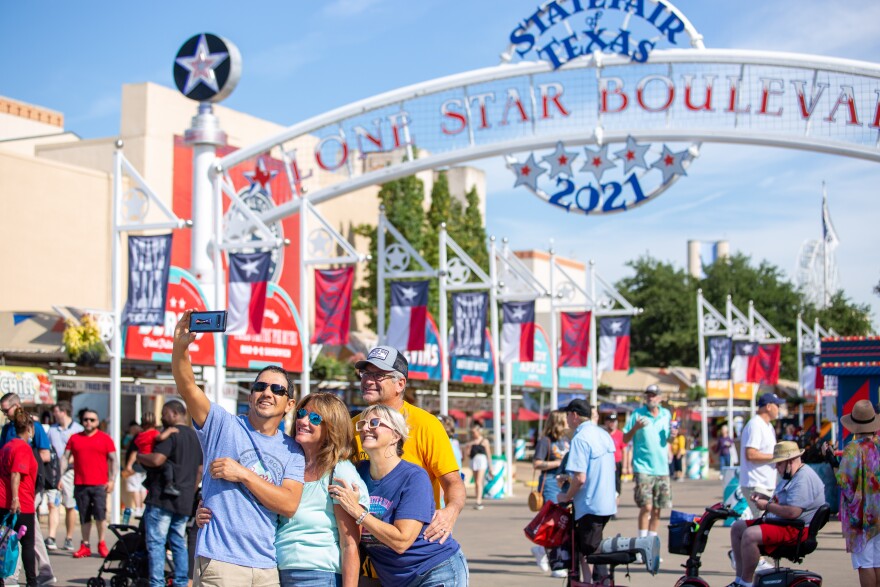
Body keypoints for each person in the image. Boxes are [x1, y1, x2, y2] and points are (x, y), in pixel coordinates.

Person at [172, 309, 304, 586]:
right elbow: (188, 387)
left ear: (289, 404)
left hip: (267, 567)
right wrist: (180, 348)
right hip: (221, 563)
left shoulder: (293, 450)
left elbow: (288, 504)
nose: (267, 392)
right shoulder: (223, 425)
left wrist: (243, 473)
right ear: (251, 393)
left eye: (278, 390)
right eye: (260, 386)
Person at [334, 404, 469, 587]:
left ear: (396, 435)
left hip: (435, 571)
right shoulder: (359, 473)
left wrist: (358, 513)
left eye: (374, 423)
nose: (365, 428)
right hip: (396, 579)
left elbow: (401, 541)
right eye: (363, 424)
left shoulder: (414, 477)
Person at [352, 345, 465, 538]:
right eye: (365, 373)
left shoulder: (426, 424)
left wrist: (451, 511)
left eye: (378, 375)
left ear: (400, 384)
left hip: (417, 545)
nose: (368, 381)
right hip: (372, 547)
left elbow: (453, 482)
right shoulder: (355, 426)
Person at [727, 441, 825, 587]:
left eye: (779, 463)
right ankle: (739, 580)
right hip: (784, 523)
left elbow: (793, 512)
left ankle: (745, 584)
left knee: (749, 535)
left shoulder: (803, 479)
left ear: (790, 462)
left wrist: (767, 505)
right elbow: (783, 501)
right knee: (737, 528)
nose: (776, 467)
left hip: (796, 529)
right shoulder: (791, 475)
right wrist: (765, 498)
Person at [136, 401, 203, 587]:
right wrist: (190, 488)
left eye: (164, 413)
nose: (161, 418)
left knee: (156, 543)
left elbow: (157, 460)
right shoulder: (196, 437)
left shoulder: (171, 435)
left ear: (175, 413)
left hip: (162, 499)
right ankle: (181, 582)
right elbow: (200, 468)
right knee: (178, 541)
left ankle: (157, 582)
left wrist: (139, 457)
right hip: (184, 499)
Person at [557, 400, 617, 583]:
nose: (566, 419)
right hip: (606, 502)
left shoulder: (580, 438)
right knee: (587, 548)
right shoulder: (603, 434)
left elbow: (580, 478)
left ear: (574, 415)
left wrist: (566, 496)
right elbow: (608, 468)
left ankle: (600, 582)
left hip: (590, 504)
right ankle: (588, 582)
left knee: (592, 552)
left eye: (567, 415)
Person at [0, 394, 56, 585]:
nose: (4, 414)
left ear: (16, 406)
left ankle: (39, 572)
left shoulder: (34, 428)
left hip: (30, 487)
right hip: (17, 494)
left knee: (23, 534)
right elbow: (13, 471)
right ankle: (16, 576)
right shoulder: (8, 432)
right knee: (24, 536)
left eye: (5, 410)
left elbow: (44, 455)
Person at [834, 399, 880, 587]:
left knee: (864, 562)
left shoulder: (853, 449)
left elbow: (844, 481)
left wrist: (832, 461)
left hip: (861, 516)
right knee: (878, 560)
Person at [63, 408, 117, 559]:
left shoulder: (105, 438)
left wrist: (112, 480)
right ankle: (85, 545)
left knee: (100, 516)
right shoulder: (75, 438)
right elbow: (64, 458)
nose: (88, 422)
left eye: (92, 420)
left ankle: (101, 543)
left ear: (97, 422)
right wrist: (59, 478)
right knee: (84, 516)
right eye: (86, 419)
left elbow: (114, 460)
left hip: (100, 484)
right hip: (80, 483)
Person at [622, 384, 672, 543]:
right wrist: (635, 428)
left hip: (662, 468)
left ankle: (651, 546)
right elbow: (625, 439)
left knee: (658, 509)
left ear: (660, 398)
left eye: (654, 395)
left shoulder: (666, 414)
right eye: (648, 395)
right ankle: (641, 544)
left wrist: (674, 435)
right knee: (647, 507)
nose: (651, 398)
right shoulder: (637, 414)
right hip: (643, 467)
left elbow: (669, 439)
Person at [0, 408, 39, 586]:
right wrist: (15, 499)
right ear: (29, 428)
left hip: (4, 501)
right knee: (28, 544)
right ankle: (32, 581)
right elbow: (16, 473)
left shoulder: (7, 446)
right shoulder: (22, 448)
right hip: (20, 503)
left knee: (4, 543)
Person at [530, 410, 570, 576]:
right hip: (550, 483)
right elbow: (537, 463)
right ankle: (556, 563)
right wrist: (557, 462)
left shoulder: (565, 440)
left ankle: (540, 548)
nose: (568, 423)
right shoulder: (545, 441)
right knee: (553, 523)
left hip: (564, 482)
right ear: (558, 423)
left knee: (560, 523)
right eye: (565, 421)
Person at [739, 393, 786, 519]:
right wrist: (777, 457)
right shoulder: (755, 425)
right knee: (762, 522)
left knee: (766, 521)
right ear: (769, 406)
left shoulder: (768, 426)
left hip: (765, 483)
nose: (779, 409)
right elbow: (751, 454)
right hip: (756, 483)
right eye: (777, 405)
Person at [46, 401, 83, 552]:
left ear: (63, 412)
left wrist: (67, 464)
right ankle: (51, 537)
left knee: (69, 505)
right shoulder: (52, 430)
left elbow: (79, 452)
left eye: (56, 411)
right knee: (52, 504)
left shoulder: (78, 429)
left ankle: (68, 538)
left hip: (70, 472)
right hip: (54, 472)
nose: (54, 414)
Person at [125, 412, 181, 501]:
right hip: (150, 458)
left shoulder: (139, 436)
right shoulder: (153, 433)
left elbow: (136, 445)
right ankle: (169, 485)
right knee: (168, 466)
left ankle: (147, 482)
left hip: (143, 461)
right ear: (154, 423)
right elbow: (160, 437)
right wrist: (170, 431)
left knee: (150, 473)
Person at [462, 422, 492, 510]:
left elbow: (488, 454)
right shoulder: (471, 442)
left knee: (479, 481)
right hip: (473, 461)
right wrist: (468, 448)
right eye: (472, 432)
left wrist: (491, 467)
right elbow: (467, 455)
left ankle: (479, 500)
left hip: (481, 461)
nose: (473, 434)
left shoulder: (484, 441)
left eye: (474, 432)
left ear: (479, 431)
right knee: (476, 482)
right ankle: (477, 499)